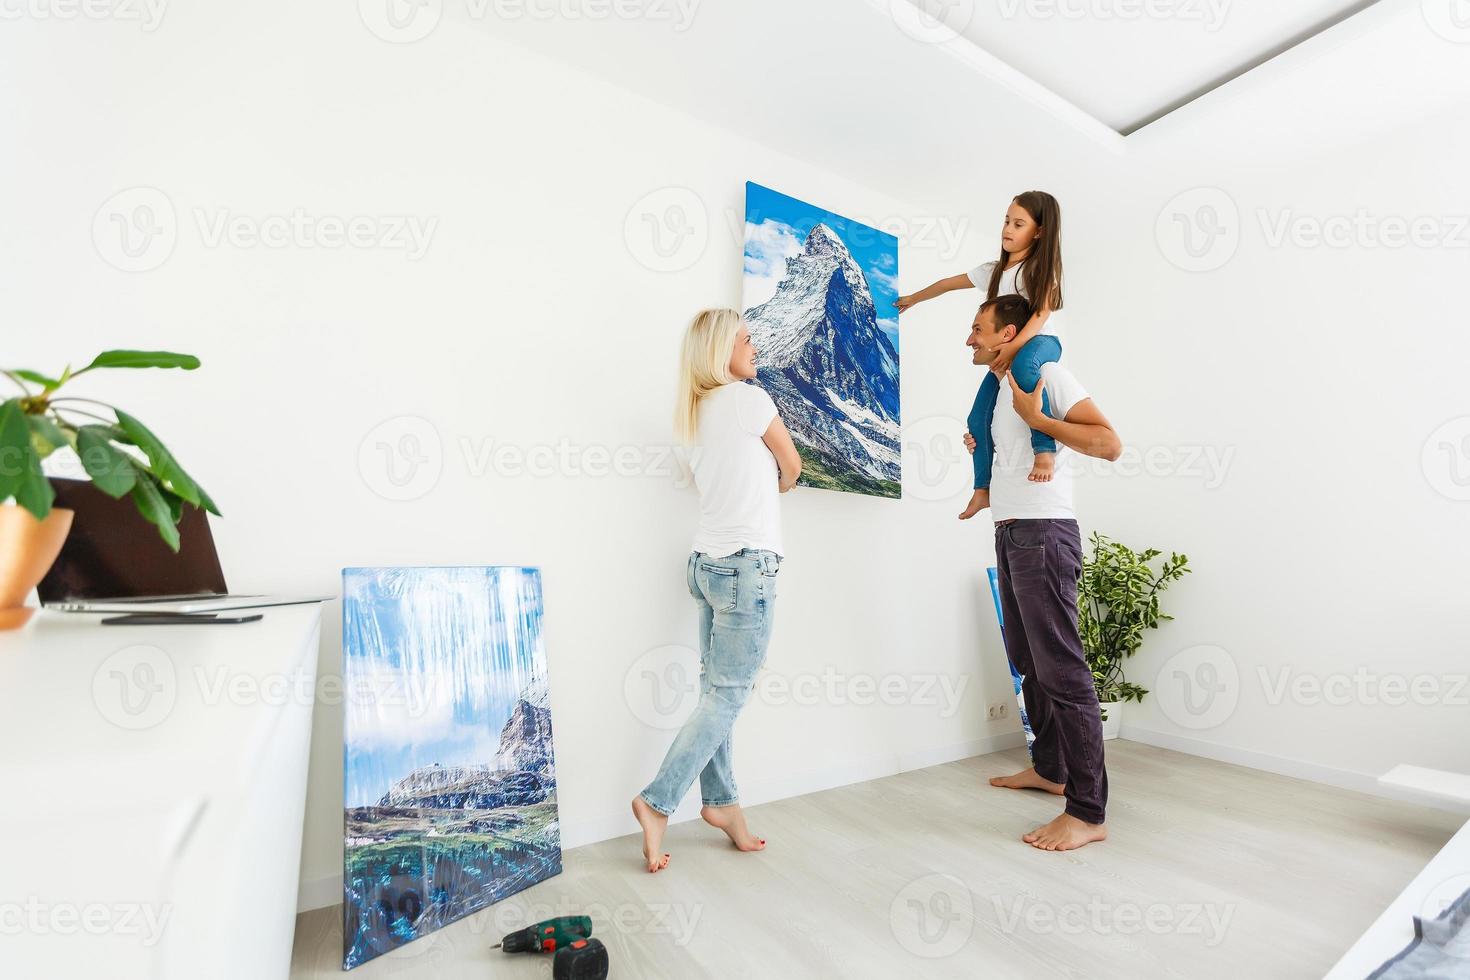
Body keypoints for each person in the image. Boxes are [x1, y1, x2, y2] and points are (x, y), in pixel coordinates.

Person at [631, 308, 801, 874]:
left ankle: (723, 804)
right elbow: (794, 466)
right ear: (719, 349)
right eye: (745, 338)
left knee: (715, 693)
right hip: (746, 567)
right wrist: (772, 491)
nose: (754, 346)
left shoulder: (692, 415)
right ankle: (657, 803)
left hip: (705, 566)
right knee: (727, 696)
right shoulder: (750, 402)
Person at [964, 294, 1122, 852]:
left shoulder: (1049, 373)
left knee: (1062, 669)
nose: (970, 340)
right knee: (1028, 662)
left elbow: (1108, 443)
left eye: (978, 329)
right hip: (1012, 529)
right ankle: (1051, 770)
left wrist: (1039, 420)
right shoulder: (1000, 391)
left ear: (1008, 333)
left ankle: (1087, 811)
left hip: (1046, 533)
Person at [894, 191, 1067, 516]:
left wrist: (1014, 347)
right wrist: (913, 298)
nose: (1008, 229)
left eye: (1019, 224)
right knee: (977, 418)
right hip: (1010, 351)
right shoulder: (993, 271)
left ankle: (1045, 451)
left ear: (1039, 232)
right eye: (1006, 221)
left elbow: (1041, 315)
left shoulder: (1037, 270)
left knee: (1028, 370)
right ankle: (982, 488)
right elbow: (948, 283)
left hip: (1040, 342)